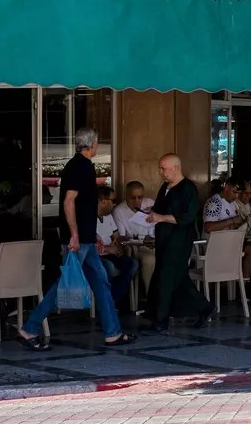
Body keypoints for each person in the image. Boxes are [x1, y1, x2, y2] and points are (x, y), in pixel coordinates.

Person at [20, 128, 132, 350]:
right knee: (64, 284)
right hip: (79, 240)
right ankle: (30, 328)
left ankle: (113, 332)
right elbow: (69, 201)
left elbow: (82, 205)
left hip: (86, 238)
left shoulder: (83, 166)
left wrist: (91, 234)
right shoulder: (79, 167)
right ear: (93, 144)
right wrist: (75, 234)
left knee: (101, 282)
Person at [145, 153, 207, 329]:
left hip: (178, 241)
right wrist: (152, 213)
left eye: (164, 168)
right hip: (163, 239)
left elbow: (188, 216)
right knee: (178, 279)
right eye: (160, 169)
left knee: (165, 277)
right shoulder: (165, 187)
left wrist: (162, 217)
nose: (161, 172)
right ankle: (205, 307)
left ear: (176, 168)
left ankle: (161, 319)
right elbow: (160, 208)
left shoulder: (188, 189)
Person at [93, 189, 136, 298]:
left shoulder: (108, 216)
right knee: (109, 267)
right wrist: (108, 249)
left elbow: (116, 237)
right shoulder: (88, 219)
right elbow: (89, 243)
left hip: (111, 254)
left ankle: (114, 298)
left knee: (132, 264)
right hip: (96, 256)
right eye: (113, 200)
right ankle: (109, 300)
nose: (115, 204)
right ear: (102, 201)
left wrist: (119, 246)